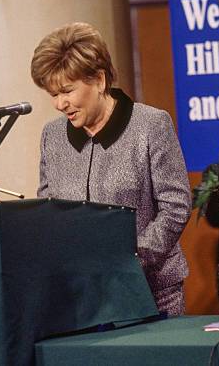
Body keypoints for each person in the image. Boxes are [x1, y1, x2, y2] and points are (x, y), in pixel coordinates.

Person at [30, 22, 191, 316]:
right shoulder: (52, 137)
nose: (59, 103)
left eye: (67, 90)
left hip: (151, 294)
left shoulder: (150, 125)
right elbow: (49, 210)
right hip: (79, 298)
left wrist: (128, 260)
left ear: (99, 80)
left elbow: (176, 207)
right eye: (52, 93)